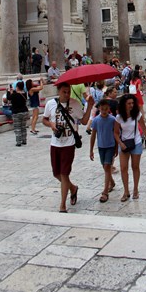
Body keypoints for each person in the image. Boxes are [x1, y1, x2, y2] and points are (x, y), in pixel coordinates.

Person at [42, 82, 94, 213]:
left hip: (69, 144)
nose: (66, 94)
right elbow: (44, 119)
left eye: (68, 92)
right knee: (56, 173)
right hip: (55, 143)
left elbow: (83, 121)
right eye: (64, 92)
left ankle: (62, 205)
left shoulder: (75, 104)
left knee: (64, 174)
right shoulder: (51, 104)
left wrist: (90, 106)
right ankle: (73, 188)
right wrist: (51, 125)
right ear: (58, 91)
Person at [114, 94, 146, 201]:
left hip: (136, 142)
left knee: (135, 166)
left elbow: (144, 128)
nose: (131, 105)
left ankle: (135, 189)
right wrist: (120, 143)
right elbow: (115, 132)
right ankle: (126, 191)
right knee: (123, 168)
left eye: (132, 103)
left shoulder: (137, 115)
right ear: (124, 105)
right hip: (124, 143)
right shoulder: (119, 117)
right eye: (128, 103)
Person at [90, 98, 117, 203]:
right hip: (101, 147)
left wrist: (116, 147)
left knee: (107, 166)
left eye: (106, 109)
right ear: (99, 109)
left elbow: (116, 133)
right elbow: (93, 135)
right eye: (102, 109)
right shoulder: (96, 120)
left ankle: (105, 192)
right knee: (105, 167)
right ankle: (112, 182)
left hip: (110, 146)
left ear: (109, 108)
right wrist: (91, 150)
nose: (104, 111)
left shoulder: (112, 120)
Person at [9, 81, 29, 147]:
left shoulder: (14, 95)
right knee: (23, 127)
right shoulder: (24, 94)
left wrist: (9, 92)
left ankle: (18, 142)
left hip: (16, 113)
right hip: (24, 111)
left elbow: (9, 98)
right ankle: (24, 140)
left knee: (17, 127)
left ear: (17, 87)